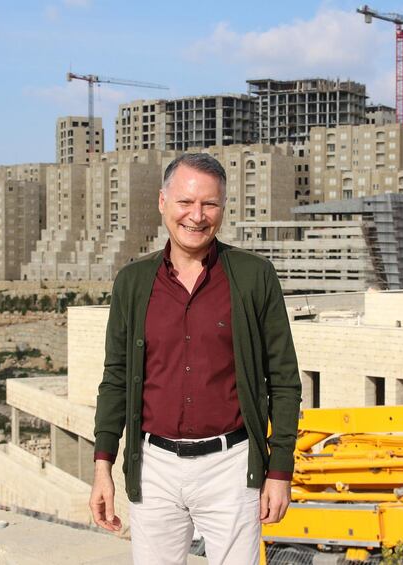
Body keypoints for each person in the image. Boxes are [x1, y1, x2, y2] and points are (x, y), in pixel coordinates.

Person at [89, 152, 301, 565]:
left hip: (232, 466)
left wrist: (280, 470)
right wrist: (103, 467)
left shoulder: (255, 276)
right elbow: (115, 378)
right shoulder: (132, 283)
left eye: (209, 204)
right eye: (186, 202)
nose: (197, 215)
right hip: (154, 468)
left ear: (223, 208)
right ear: (163, 202)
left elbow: (284, 380)